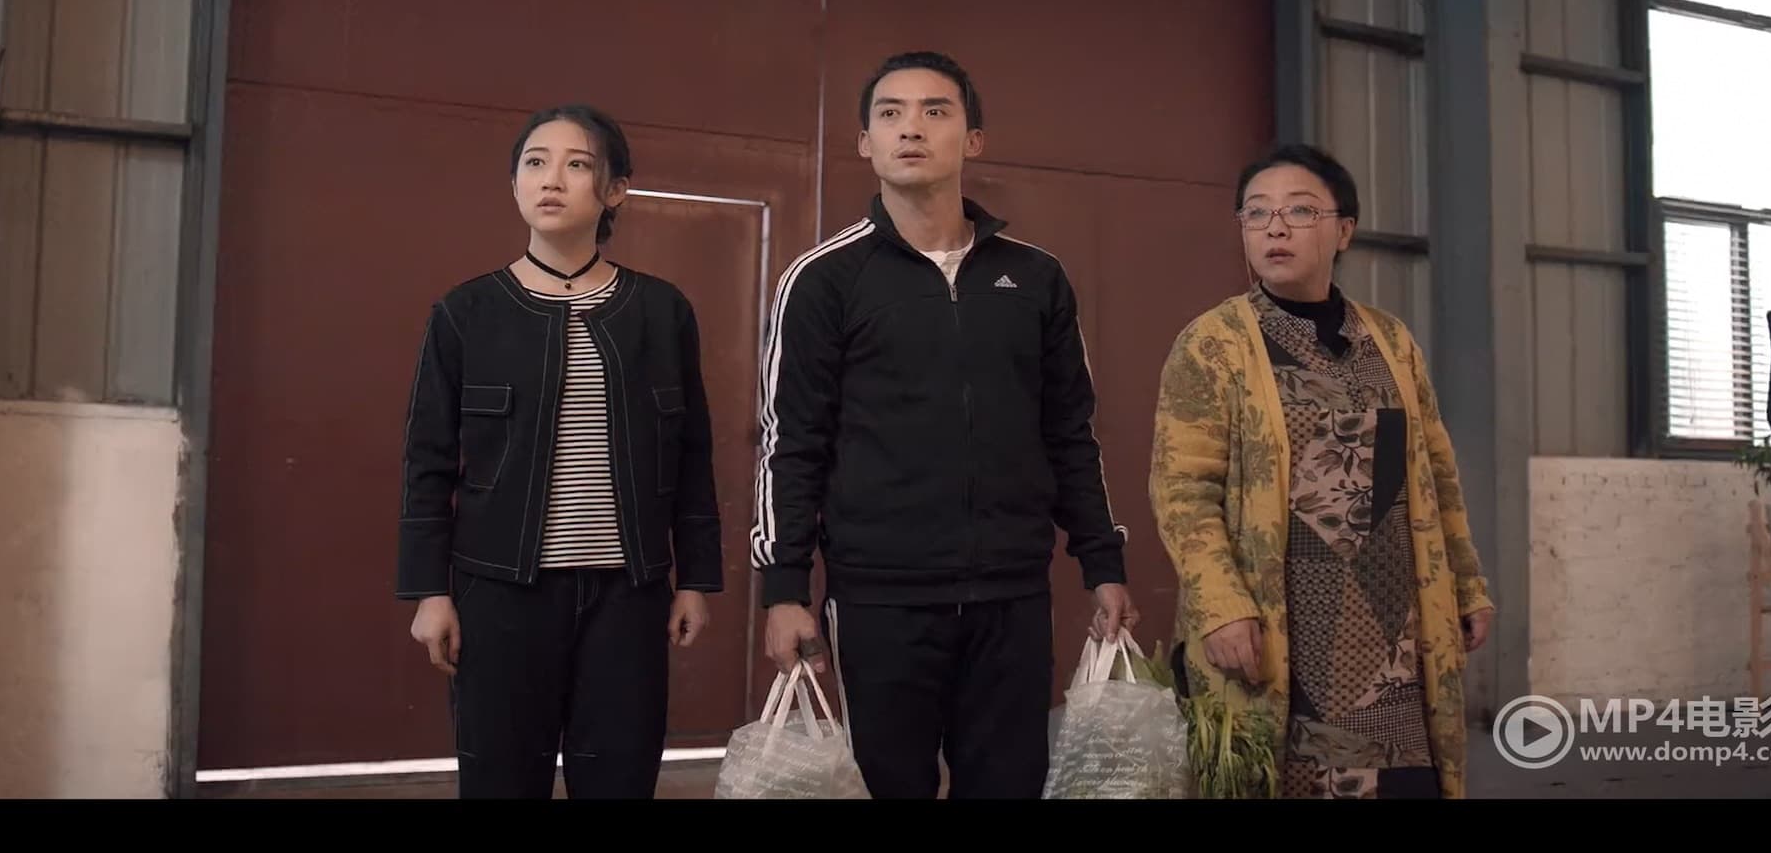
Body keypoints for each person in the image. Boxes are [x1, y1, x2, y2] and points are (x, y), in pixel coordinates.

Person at [752, 50, 1138, 799]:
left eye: (936, 111)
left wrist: (1103, 562)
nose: (912, 129)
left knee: (1010, 785)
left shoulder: (1035, 278)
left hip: (1012, 595)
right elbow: (790, 444)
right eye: (890, 113)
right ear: (865, 142)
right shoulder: (823, 279)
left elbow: (1070, 433)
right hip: (880, 598)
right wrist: (784, 588)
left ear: (973, 139)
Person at [393, 103, 723, 799]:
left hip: (627, 595)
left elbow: (692, 455)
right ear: (514, 183)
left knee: (620, 779)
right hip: (500, 593)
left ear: (615, 190)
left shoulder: (660, 311)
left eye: (578, 165)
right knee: (502, 780)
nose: (552, 179)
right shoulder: (467, 312)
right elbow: (427, 462)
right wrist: (429, 592)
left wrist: (695, 577)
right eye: (535, 163)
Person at [1148, 143, 1496, 799]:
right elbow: (1182, 489)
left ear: (1344, 230)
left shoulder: (1391, 342)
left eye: (1300, 211)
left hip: (1395, 638)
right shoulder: (1213, 344)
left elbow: (1437, 474)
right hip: (1281, 639)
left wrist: (1467, 584)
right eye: (1257, 213)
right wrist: (1220, 607)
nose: (1275, 228)